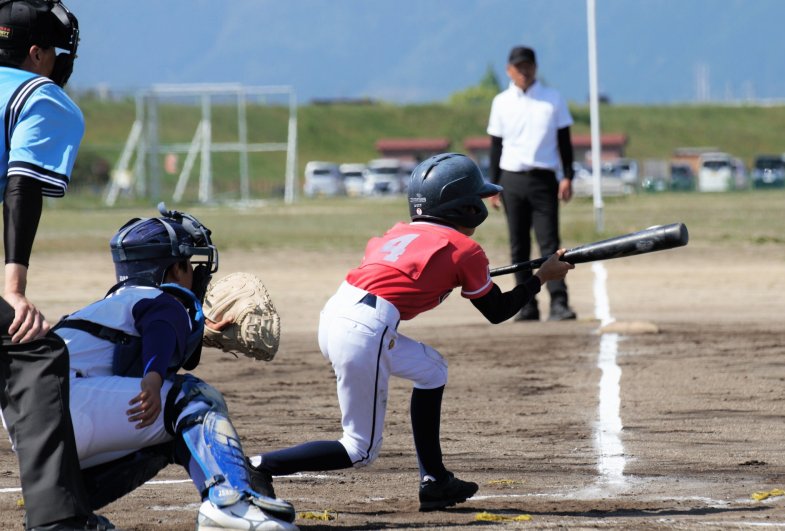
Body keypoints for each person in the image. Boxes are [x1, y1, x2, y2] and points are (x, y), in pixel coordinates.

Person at [249, 153, 574, 511]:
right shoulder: (466, 250)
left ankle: (435, 480)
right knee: (359, 449)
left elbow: (412, 274)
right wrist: (541, 278)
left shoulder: (399, 232)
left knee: (432, 369)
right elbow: (498, 311)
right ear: (465, 208)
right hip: (365, 329)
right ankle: (259, 466)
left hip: (337, 316)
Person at [52, 204, 297, 531]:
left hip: (36, 424)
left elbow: (135, 346)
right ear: (174, 269)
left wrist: (194, 332)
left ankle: (64, 513)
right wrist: (153, 377)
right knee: (194, 399)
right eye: (190, 264)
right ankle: (230, 504)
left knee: (171, 434)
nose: (196, 274)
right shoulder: (163, 302)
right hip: (73, 405)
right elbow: (159, 330)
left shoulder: (108, 306)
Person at [0, 1, 105, 529]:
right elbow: (22, 183)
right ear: (37, 53)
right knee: (34, 351)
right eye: (58, 53)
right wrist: (14, 287)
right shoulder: (37, 94)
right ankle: (58, 519)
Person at [486, 45, 577, 322]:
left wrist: (567, 175)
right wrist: (493, 186)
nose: (523, 71)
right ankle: (526, 304)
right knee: (519, 245)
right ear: (509, 70)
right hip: (511, 178)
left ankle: (559, 302)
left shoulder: (552, 99)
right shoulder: (501, 102)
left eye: (528, 66)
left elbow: (564, 142)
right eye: (518, 67)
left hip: (543, 178)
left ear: (535, 68)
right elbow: (496, 146)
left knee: (550, 242)